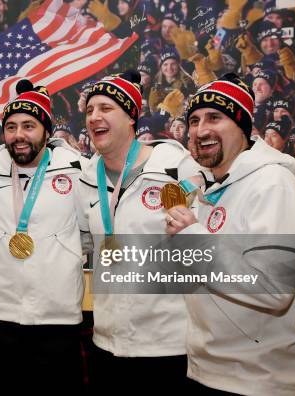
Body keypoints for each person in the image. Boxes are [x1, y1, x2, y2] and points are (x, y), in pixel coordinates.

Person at [166, 73, 295, 395]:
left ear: (243, 127)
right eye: (193, 120)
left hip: (262, 380)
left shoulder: (274, 185)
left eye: (215, 117)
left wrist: (193, 237)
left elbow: (275, 288)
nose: (200, 129)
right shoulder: (207, 188)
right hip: (209, 369)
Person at [76, 71, 201, 392]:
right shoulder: (86, 179)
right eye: (89, 110)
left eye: (105, 108)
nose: (94, 117)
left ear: (131, 116)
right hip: (107, 343)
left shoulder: (176, 168)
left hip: (168, 347)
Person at [0, 79, 87, 392]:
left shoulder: (77, 168)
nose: (19, 135)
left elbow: (91, 231)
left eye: (29, 126)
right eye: (11, 127)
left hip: (58, 319)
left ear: (46, 131)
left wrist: (63, 253)